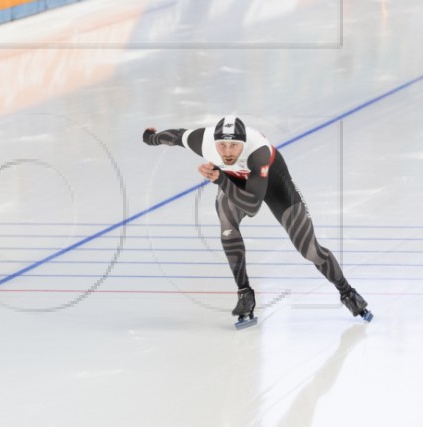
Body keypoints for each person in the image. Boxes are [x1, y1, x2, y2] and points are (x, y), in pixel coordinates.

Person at [142, 115, 371, 321]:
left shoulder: (258, 152)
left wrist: (221, 180)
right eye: (222, 145)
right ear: (214, 143)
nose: (228, 151)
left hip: (275, 187)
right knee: (227, 219)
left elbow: (252, 205)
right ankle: (244, 294)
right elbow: (176, 137)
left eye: (234, 146)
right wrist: (151, 138)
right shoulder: (203, 140)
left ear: (244, 144)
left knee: (309, 249)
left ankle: (347, 292)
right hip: (236, 183)